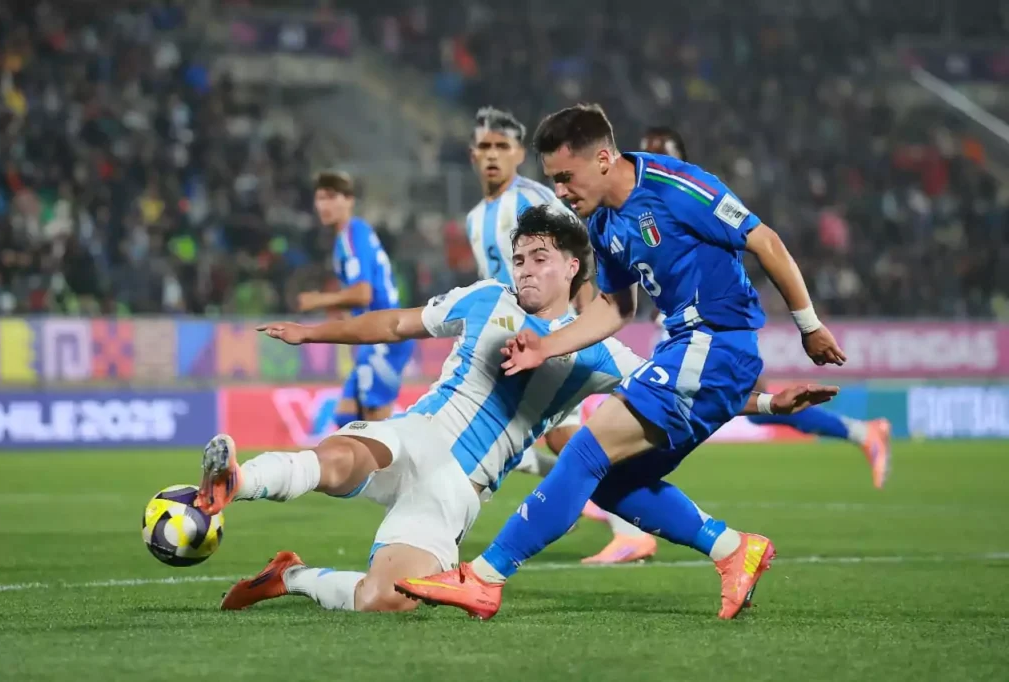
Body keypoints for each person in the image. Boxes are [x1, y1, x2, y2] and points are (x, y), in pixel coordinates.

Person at [194, 204, 836, 615]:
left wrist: (770, 402)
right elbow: (395, 324)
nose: (524, 270)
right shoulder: (484, 297)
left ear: (573, 268)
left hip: (458, 489)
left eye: (538, 259)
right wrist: (315, 333)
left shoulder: (601, 356)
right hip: (419, 433)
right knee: (341, 456)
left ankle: (292, 575)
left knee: (383, 601)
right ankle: (238, 481)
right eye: (518, 258)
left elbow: (686, 394)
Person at [395, 103, 847, 621]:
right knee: (611, 481)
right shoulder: (604, 224)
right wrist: (547, 344)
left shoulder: (676, 186)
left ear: (605, 159)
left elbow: (764, 241)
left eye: (566, 177)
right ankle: (732, 550)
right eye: (553, 180)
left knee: (585, 451)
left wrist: (809, 326)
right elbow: (615, 307)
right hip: (687, 351)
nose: (560, 192)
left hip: (716, 343)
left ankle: (484, 578)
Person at [641, 126, 890, 488]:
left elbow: (750, 244)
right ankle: (863, 432)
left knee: (693, 409)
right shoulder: (643, 210)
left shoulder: (696, 198)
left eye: (662, 153)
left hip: (717, 326)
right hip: (687, 326)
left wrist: (806, 323)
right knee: (750, 405)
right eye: (647, 153)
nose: (653, 161)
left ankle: (628, 512)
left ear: (682, 158)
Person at [466, 105, 656, 564]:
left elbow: (581, 250)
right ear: (473, 155)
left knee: (555, 435)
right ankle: (581, 502)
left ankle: (624, 522)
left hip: (555, 335)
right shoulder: (477, 217)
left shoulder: (533, 200)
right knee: (536, 435)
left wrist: (583, 317)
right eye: (485, 147)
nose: (493, 156)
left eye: (503, 147)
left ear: (517, 154)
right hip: (518, 340)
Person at [295, 171, 414, 426]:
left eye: (331, 197)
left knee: (375, 427)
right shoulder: (349, 237)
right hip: (372, 334)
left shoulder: (352, 235)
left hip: (385, 335)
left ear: (349, 200)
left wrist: (319, 300)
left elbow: (363, 294)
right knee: (346, 417)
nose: (323, 205)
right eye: (319, 198)